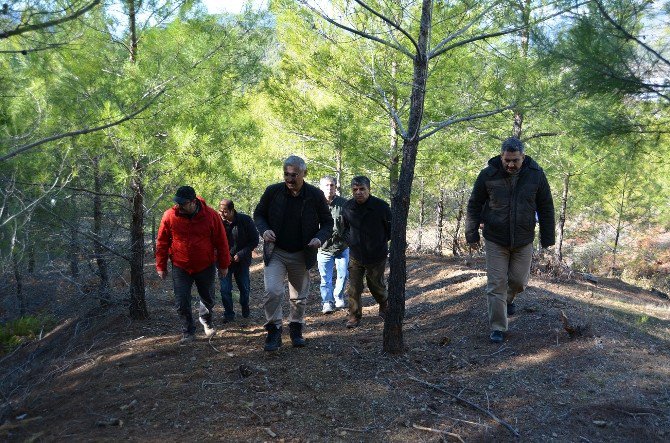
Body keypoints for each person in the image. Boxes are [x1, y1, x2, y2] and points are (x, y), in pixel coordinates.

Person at [465, 137, 555, 344]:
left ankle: (508, 299)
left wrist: (547, 238)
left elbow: (546, 207)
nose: (510, 164)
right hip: (495, 238)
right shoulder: (488, 174)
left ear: (523, 157)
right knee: (496, 284)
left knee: (519, 281)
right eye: (507, 160)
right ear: (501, 156)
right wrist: (472, 234)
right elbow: (474, 204)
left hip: (524, 238)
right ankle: (498, 327)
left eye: (515, 160)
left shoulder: (536, 175)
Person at [253, 156, 333, 351]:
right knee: (273, 291)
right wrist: (263, 230)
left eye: (294, 175)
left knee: (298, 297)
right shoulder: (273, 191)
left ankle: (296, 329)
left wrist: (319, 238)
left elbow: (328, 223)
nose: (289, 179)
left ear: (304, 174)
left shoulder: (314, 195)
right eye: (286, 174)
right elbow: (259, 214)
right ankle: (274, 330)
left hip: (302, 252)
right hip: (276, 251)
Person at [156, 186, 231, 344]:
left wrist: (224, 265)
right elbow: (162, 242)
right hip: (180, 266)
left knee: (208, 298)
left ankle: (206, 320)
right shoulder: (170, 215)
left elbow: (221, 241)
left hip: (205, 265)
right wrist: (161, 265)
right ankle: (188, 331)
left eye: (182, 204)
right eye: (177, 203)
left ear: (193, 202)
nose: (179, 206)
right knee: (181, 301)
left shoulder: (210, 215)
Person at [341, 176, 392, 328]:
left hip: (377, 255)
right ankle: (354, 316)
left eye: (362, 189)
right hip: (355, 255)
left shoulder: (381, 207)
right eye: (355, 190)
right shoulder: (348, 207)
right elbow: (344, 229)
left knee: (376, 285)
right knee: (354, 288)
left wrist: (379, 242)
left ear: (369, 189)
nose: (358, 192)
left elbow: (391, 230)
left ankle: (384, 303)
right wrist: (351, 241)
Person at [218, 199, 259, 322]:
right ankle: (229, 314)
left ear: (232, 210)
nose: (222, 214)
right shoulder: (217, 222)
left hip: (242, 262)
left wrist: (241, 254)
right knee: (225, 290)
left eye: (225, 212)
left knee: (244, 288)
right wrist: (224, 256)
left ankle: (245, 305)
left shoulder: (245, 220)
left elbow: (254, 240)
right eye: (220, 211)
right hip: (224, 262)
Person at [317, 176, 350, 314]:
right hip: (323, 248)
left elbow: (351, 225)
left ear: (336, 187)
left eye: (332, 185)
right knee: (325, 278)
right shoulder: (315, 204)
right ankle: (327, 302)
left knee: (343, 274)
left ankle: (338, 296)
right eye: (326, 185)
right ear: (321, 187)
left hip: (342, 247)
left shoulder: (344, 203)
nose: (329, 188)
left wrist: (348, 240)